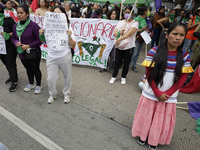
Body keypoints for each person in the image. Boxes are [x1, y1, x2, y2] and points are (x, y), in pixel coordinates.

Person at [132, 22, 193, 150]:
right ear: (167, 35)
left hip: (169, 95)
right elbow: (149, 74)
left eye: (182, 35)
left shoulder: (185, 56)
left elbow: (182, 78)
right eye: (175, 34)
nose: (178, 38)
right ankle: (143, 136)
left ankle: (155, 139)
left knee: (161, 118)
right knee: (147, 115)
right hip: (152, 91)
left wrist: (169, 93)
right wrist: (157, 92)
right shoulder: (154, 51)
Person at [39, 6, 76, 104]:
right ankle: (52, 94)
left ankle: (66, 93)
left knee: (67, 77)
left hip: (65, 56)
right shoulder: (47, 26)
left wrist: (69, 36)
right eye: (54, 13)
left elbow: (73, 45)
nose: (56, 16)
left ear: (64, 15)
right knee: (50, 79)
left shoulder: (68, 27)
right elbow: (42, 41)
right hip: (52, 57)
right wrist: (41, 34)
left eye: (59, 13)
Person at [11, 4, 42, 94]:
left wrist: (28, 45)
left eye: (22, 13)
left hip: (33, 53)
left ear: (27, 14)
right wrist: (15, 42)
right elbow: (13, 38)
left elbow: (40, 40)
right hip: (22, 53)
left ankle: (39, 85)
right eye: (18, 13)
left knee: (35, 69)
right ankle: (31, 83)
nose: (19, 15)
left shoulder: (34, 26)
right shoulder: (16, 26)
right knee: (28, 68)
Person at [109, 5, 139, 85]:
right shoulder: (121, 22)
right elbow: (115, 33)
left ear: (132, 13)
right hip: (119, 46)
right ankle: (114, 76)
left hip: (128, 47)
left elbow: (129, 33)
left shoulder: (135, 23)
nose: (127, 14)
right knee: (117, 62)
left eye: (129, 12)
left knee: (126, 63)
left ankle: (123, 77)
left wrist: (119, 38)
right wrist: (119, 33)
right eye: (126, 12)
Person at [0, 3, 18, 92]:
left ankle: (14, 81)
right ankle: (11, 76)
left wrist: (7, 34)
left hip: (10, 46)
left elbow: (16, 32)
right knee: (5, 62)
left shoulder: (8, 19)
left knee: (10, 63)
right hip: (0, 47)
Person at [129, 6, 150, 73]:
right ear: (144, 11)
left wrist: (146, 30)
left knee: (138, 53)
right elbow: (133, 30)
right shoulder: (137, 19)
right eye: (148, 10)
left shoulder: (145, 19)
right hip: (137, 38)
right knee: (134, 53)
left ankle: (134, 66)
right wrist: (142, 29)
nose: (149, 12)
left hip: (143, 37)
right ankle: (128, 65)